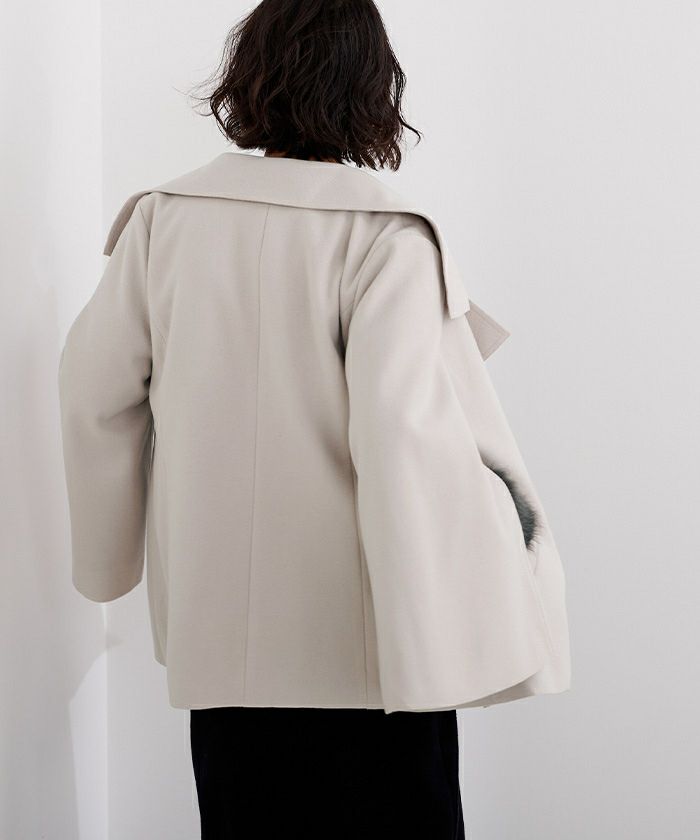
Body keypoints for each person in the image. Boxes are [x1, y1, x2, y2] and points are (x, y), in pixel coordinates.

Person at [58, 1, 571, 837]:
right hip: (370, 653)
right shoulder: (385, 238)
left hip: (221, 647)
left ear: (248, 78)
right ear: (372, 88)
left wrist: (106, 565)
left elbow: (92, 390)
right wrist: (468, 606)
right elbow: (406, 441)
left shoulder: (163, 220)